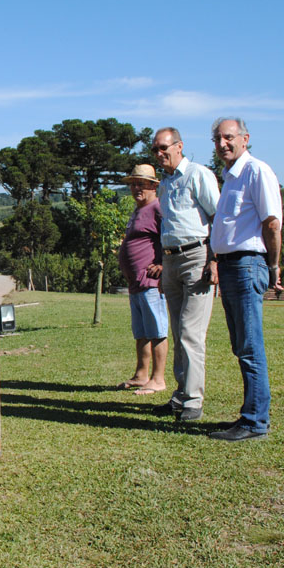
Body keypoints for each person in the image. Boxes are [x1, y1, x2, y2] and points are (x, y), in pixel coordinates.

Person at [207, 117, 282, 442]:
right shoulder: (230, 176)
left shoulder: (256, 171)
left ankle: (254, 422)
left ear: (245, 138)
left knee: (250, 347)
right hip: (230, 266)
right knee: (241, 345)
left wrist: (273, 265)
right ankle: (250, 416)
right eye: (217, 139)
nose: (222, 144)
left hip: (247, 264)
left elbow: (272, 223)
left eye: (229, 137)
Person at [153, 127, 220, 422]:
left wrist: (214, 259)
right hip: (171, 260)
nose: (159, 154)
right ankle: (181, 395)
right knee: (179, 331)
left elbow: (218, 217)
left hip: (197, 257)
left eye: (163, 148)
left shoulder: (198, 174)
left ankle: (193, 400)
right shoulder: (164, 183)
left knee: (192, 332)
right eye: (155, 149)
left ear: (179, 146)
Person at [116, 164, 169, 395]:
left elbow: (170, 236)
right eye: (133, 184)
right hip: (135, 283)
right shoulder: (138, 210)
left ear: (153, 186)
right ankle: (141, 374)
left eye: (142, 184)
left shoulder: (158, 208)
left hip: (150, 283)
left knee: (157, 330)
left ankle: (158, 379)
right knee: (141, 331)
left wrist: (164, 264)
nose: (136, 188)